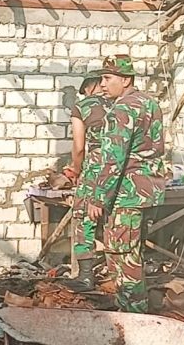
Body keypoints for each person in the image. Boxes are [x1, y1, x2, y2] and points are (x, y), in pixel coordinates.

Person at [86, 55, 165, 313]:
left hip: (126, 194)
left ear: (126, 79)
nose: (102, 84)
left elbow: (112, 160)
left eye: (108, 78)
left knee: (122, 259)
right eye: (101, 78)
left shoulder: (122, 109)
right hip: (148, 192)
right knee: (135, 253)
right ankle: (134, 311)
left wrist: (98, 198)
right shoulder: (150, 104)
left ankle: (132, 317)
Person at [63, 70, 110, 293]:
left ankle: (85, 276)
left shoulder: (81, 108)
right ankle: (119, 275)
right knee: (116, 219)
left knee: (84, 218)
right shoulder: (123, 103)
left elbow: (79, 147)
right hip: (123, 169)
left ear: (89, 86)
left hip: (95, 169)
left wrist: (76, 169)